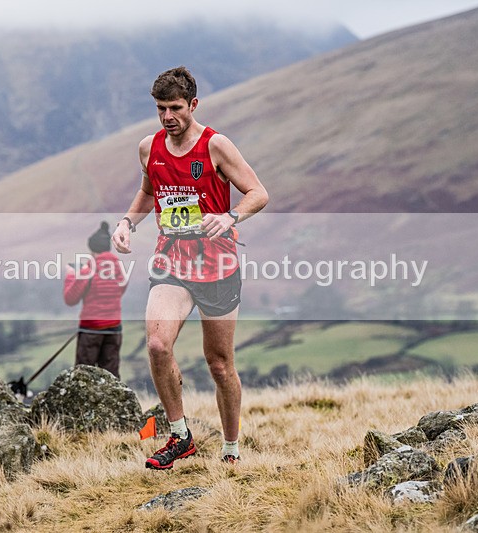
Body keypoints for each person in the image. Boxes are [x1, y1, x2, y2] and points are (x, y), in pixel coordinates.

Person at [112, 66, 268, 468]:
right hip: (172, 260)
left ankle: (231, 449)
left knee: (219, 364)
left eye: (176, 108)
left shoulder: (216, 146)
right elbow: (150, 191)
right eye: (161, 109)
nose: (168, 117)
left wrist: (231, 217)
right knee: (157, 344)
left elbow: (258, 192)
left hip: (217, 265)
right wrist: (128, 222)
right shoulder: (150, 148)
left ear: (193, 105)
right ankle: (180, 436)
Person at [64, 221, 128, 379]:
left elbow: (70, 298)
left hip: (90, 329)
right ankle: (115, 403)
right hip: (114, 328)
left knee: (83, 376)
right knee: (111, 375)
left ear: (93, 249)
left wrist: (71, 275)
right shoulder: (119, 268)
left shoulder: (89, 268)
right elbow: (121, 289)